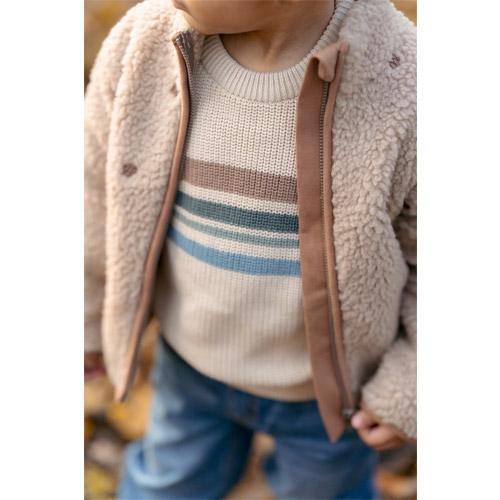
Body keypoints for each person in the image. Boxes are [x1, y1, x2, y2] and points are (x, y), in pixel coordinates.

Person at [84, 0, 416, 498]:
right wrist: (85, 315)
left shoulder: (404, 85)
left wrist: (408, 385)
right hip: (189, 368)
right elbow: (94, 193)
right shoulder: (144, 49)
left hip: (330, 399)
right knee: (166, 486)